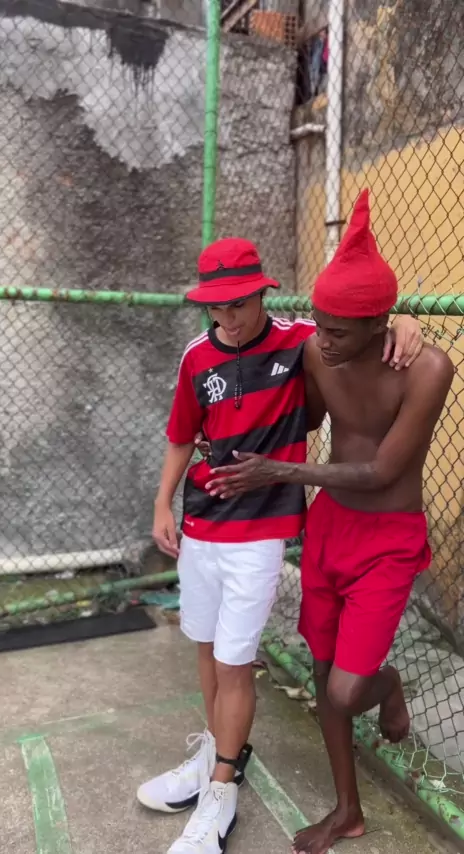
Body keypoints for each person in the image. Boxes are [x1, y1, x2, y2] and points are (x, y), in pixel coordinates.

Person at [137, 233, 423, 854]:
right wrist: (163, 502)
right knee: (207, 649)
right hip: (203, 522)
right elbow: (183, 433)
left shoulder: (301, 341)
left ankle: (222, 790)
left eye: (239, 302)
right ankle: (213, 754)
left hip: (261, 531)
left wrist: (406, 320)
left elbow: (363, 327)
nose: (228, 316)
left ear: (263, 294)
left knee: (235, 661)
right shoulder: (198, 356)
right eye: (216, 306)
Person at [205, 191, 455, 854]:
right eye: (319, 325)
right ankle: (347, 811)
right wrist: (230, 439)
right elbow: (306, 413)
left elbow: (381, 472)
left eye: (339, 330)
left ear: (380, 325)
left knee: (346, 690)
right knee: (322, 676)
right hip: (329, 531)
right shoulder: (321, 351)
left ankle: (388, 684)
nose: (323, 339)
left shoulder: (428, 369)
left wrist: (279, 472)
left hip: (387, 540)